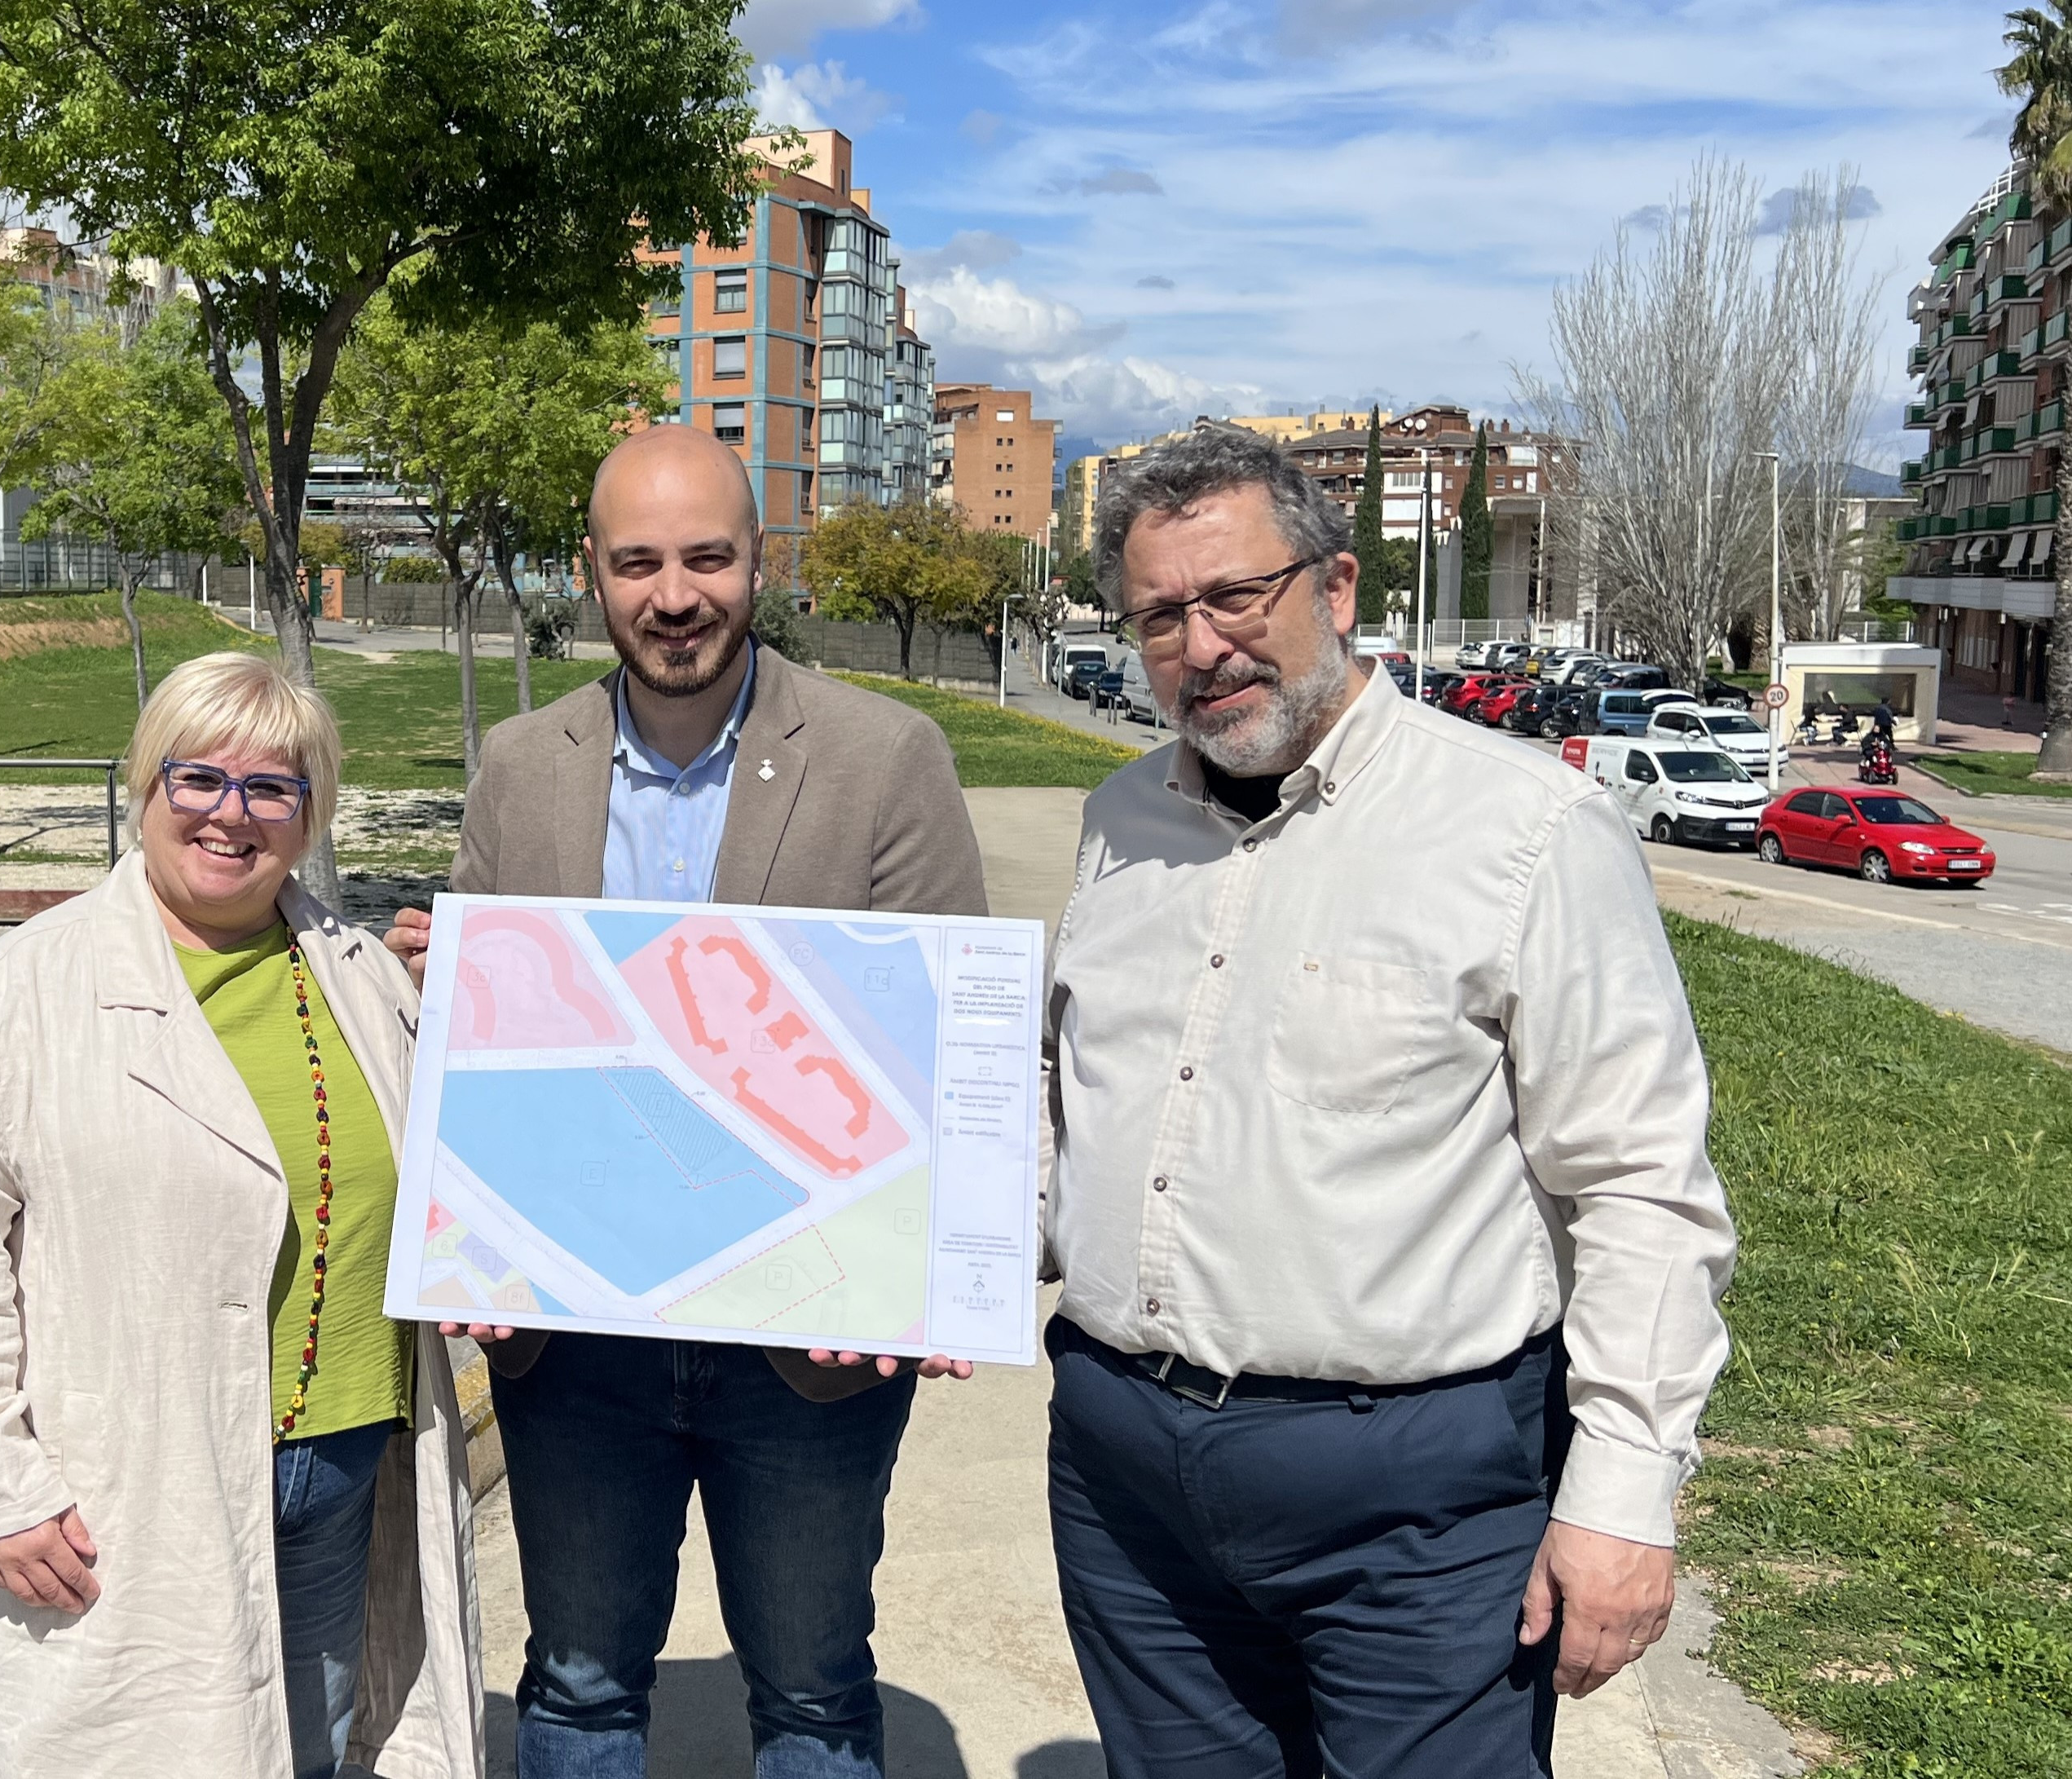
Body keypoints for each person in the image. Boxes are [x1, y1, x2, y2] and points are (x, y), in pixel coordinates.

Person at [1041, 427, 1738, 1777]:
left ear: (1339, 587)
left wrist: (1625, 1493)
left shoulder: (1524, 828)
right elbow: (1069, 1120)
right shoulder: (1117, 823)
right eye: (1162, 615)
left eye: (1239, 595)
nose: (1204, 644)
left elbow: (1642, 1179)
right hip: (1129, 1489)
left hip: (1416, 1509)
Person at [386, 423, 988, 1777]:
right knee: (582, 1681)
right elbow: (480, 1060)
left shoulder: (887, 756)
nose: (676, 595)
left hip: (810, 1341)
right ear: (591, 574)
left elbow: (947, 1055)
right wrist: (452, 995)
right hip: (576, 1338)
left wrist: (934, 1273)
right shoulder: (519, 763)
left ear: (758, 561)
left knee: (817, 1693)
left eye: (708, 557)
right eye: (639, 562)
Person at [0, 651, 483, 1779]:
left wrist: (482, 992)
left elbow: (468, 1166)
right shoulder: (19, 999)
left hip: (343, 1457)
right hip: (130, 1483)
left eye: (273, 787)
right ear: (145, 787)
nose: (231, 812)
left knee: (305, 1747)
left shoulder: (362, 979)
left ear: (311, 816)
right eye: (197, 776)